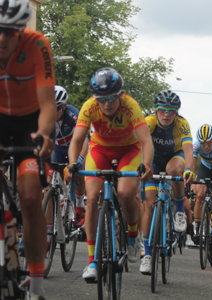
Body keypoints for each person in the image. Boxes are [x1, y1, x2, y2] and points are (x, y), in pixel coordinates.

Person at [66, 67, 154, 281]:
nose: (106, 104)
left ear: (120, 94)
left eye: (112, 98)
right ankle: (92, 262)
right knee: (93, 198)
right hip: (100, 150)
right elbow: (76, 140)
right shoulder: (89, 106)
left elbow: (146, 141)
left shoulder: (130, 105)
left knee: (125, 192)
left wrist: (146, 165)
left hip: (129, 151)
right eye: (101, 99)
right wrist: (72, 163)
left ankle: (133, 235)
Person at [0, 1, 56, 299]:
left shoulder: (37, 45)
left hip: (29, 122)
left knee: (31, 195)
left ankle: (35, 284)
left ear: (20, 32)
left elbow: (48, 104)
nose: (1, 39)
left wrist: (43, 134)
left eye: (8, 32)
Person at [139, 90, 194, 274]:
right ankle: (147, 254)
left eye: (171, 111)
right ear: (156, 110)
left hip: (174, 157)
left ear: (176, 112)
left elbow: (188, 151)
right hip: (153, 159)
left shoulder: (182, 123)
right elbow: (140, 147)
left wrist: (189, 170)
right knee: (149, 202)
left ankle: (179, 211)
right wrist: (143, 166)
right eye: (162, 110)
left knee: (174, 170)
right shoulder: (149, 122)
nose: (167, 115)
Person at [52, 85, 88, 227]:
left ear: (64, 107)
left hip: (75, 146)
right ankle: (55, 200)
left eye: (56, 109)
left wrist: (79, 160)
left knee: (79, 169)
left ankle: (79, 205)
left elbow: (85, 141)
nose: (52, 112)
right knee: (50, 178)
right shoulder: (44, 114)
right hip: (57, 149)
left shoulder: (73, 114)